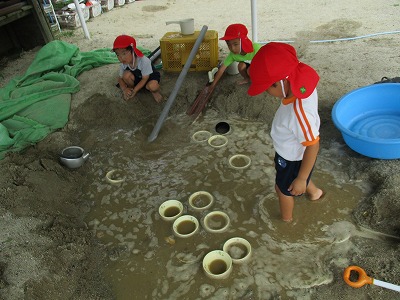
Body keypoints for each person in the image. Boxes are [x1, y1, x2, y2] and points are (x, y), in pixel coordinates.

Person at [247, 42, 325, 222]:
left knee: (283, 190)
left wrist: (301, 178)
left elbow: (313, 144)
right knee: (297, 178)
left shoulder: (299, 114)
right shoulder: (301, 81)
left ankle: (287, 222)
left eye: (268, 86)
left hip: (292, 158)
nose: (266, 91)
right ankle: (314, 192)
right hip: (293, 151)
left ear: (283, 81)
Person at [209, 23, 261, 90]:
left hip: (260, 67)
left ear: (243, 41)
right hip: (250, 66)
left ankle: (258, 82)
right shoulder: (232, 54)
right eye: (229, 45)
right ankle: (246, 79)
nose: (232, 48)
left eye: (235, 44)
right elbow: (222, 69)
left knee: (250, 70)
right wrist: (213, 84)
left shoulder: (256, 48)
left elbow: (266, 63)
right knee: (241, 66)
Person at [112, 35, 163, 103]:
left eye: (124, 53)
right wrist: (124, 89)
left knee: (153, 86)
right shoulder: (124, 64)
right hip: (137, 78)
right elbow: (120, 78)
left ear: (133, 51)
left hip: (149, 78)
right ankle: (131, 89)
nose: (121, 57)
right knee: (126, 75)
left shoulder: (144, 61)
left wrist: (135, 91)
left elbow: (145, 78)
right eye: (118, 54)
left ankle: (154, 92)